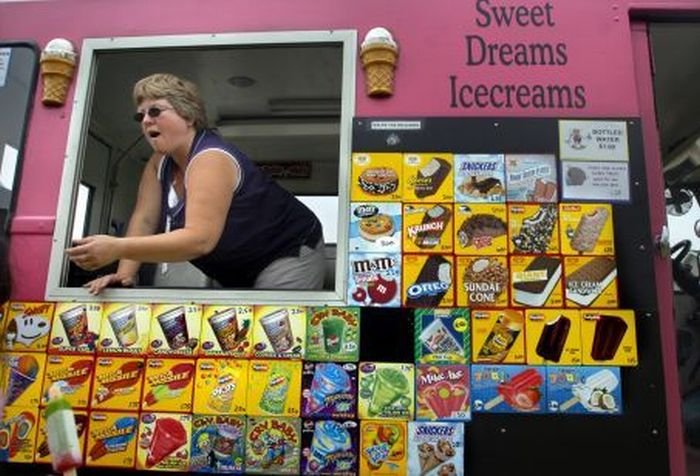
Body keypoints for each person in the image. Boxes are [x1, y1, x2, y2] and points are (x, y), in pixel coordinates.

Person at [66, 73, 324, 294]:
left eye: (155, 111)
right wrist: (124, 276)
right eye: (140, 116)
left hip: (286, 251)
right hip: (236, 266)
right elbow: (144, 219)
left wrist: (116, 247)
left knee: (274, 338)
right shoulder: (159, 163)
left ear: (188, 116)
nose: (145, 121)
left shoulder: (210, 158)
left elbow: (199, 240)